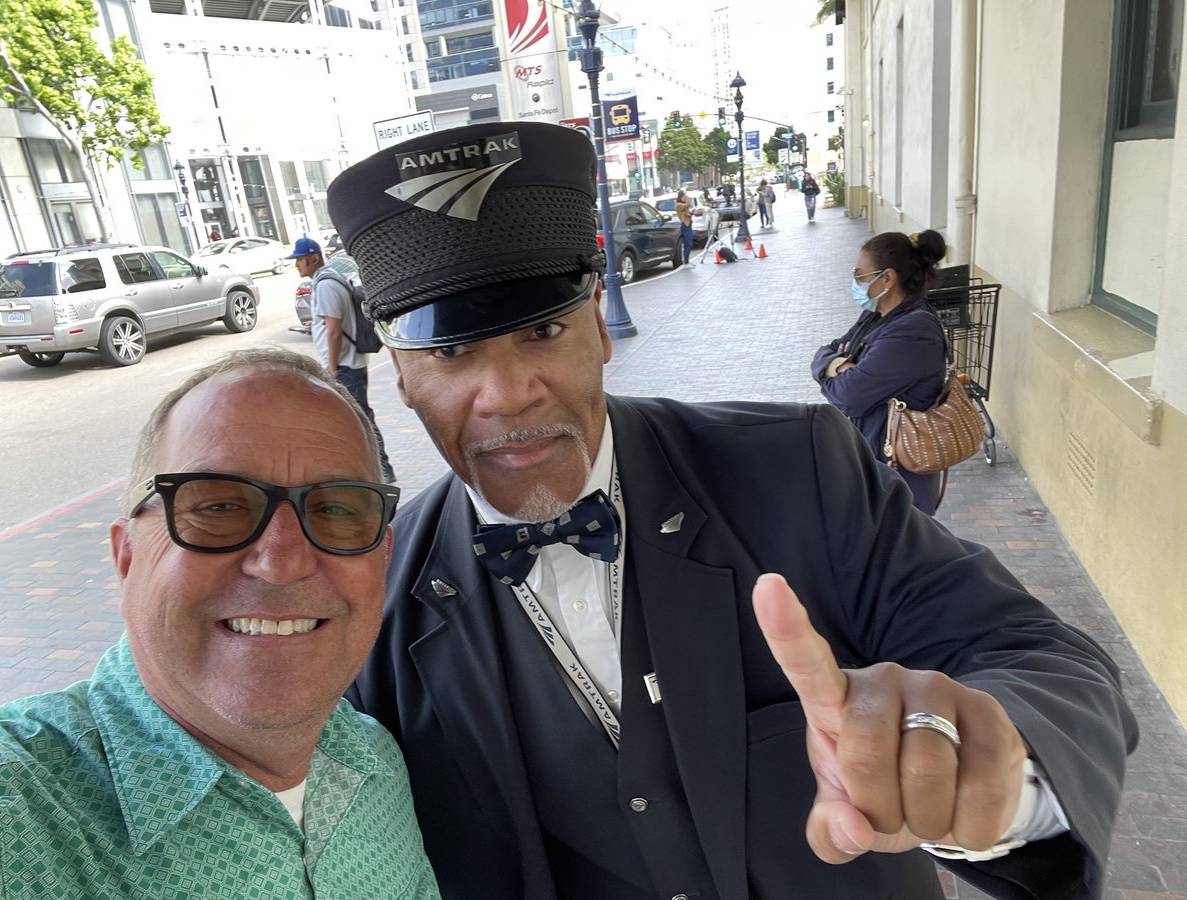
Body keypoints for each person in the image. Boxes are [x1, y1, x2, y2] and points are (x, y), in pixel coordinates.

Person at [331, 121, 1136, 900]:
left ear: (600, 330)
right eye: (449, 353)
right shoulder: (372, 598)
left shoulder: (797, 471)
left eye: (544, 330)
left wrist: (985, 759)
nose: (507, 394)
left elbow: (1046, 660)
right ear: (401, 377)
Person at [0, 348, 439, 898]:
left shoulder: (378, 764)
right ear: (126, 559)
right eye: (219, 506)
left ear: (382, 559)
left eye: (338, 509)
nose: (281, 562)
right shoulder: (11, 813)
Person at [811, 230, 949, 514]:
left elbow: (849, 396)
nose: (856, 282)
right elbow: (826, 351)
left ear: (887, 278)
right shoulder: (877, 316)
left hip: (900, 481)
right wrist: (836, 364)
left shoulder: (913, 332)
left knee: (900, 551)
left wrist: (837, 368)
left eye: (860, 275)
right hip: (875, 465)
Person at [287, 236, 396, 483]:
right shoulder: (331, 279)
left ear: (314, 258)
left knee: (360, 420)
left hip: (345, 366)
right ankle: (381, 470)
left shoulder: (325, 285)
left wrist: (332, 369)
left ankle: (382, 472)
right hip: (350, 363)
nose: (297, 265)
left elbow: (333, 329)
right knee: (361, 417)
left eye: (300, 260)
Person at [674, 189, 694, 265]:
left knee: (688, 244)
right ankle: (686, 261)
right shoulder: (678, 205)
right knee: (688, 244)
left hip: (688, 225)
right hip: (685, 225)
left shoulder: (682, 205)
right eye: (684, 196)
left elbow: (688, 211)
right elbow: (688, 204)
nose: (685, 198)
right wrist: (688, 198)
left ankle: (687, 260)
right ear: (681, 197)